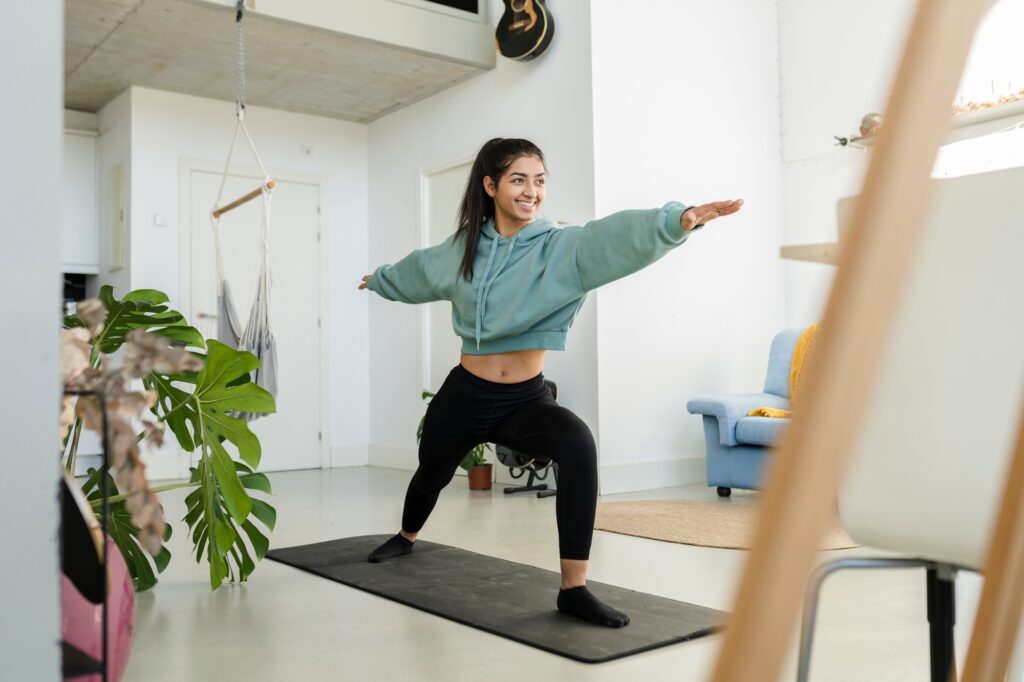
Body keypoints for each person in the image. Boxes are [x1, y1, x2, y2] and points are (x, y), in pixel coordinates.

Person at [358, 137, 742, 628]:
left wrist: (677, 220)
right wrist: (382, 279)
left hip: (524, 398)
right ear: (491, 185)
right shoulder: (464, 250)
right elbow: (419, 271)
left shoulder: (560, 247)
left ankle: (574, 588)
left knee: (578, 444)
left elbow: (611, 238)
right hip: (465, 395)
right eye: (519, 179)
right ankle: (407, 535)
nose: (532, 191)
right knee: (430, 471)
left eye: (539, 181)